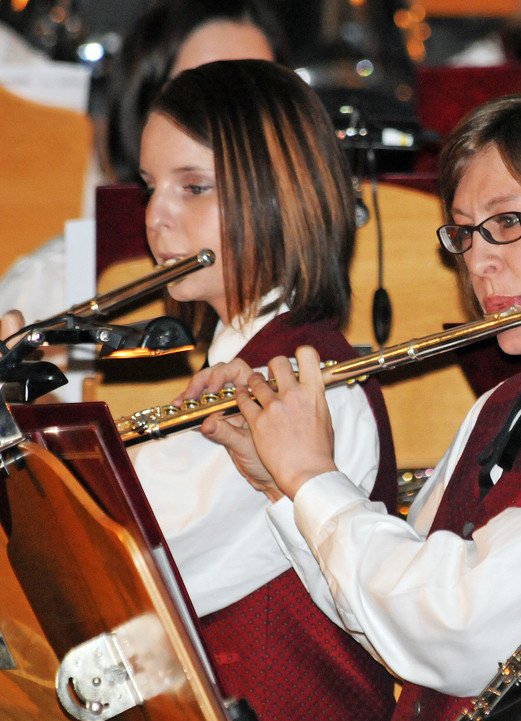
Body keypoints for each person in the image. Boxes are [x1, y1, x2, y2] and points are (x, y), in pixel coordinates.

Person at [178, 87, 521, 721]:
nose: (478, 260)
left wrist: (311, 478)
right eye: (464, 233)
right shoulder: (500, 403)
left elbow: (456, 632)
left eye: (508, 223)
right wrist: (281, 486)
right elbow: (389, 621)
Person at [132, 60, 399, 721]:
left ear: (279, 198)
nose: (156, 217)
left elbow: (130, 550)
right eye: (150, 186)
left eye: (193, 187)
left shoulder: (308, 389)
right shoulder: (234, 360)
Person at [0, 0, 285, 335]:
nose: (233, 130)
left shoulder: (316, 276)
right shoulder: (50, 283)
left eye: (255, 100)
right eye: (197, 98)